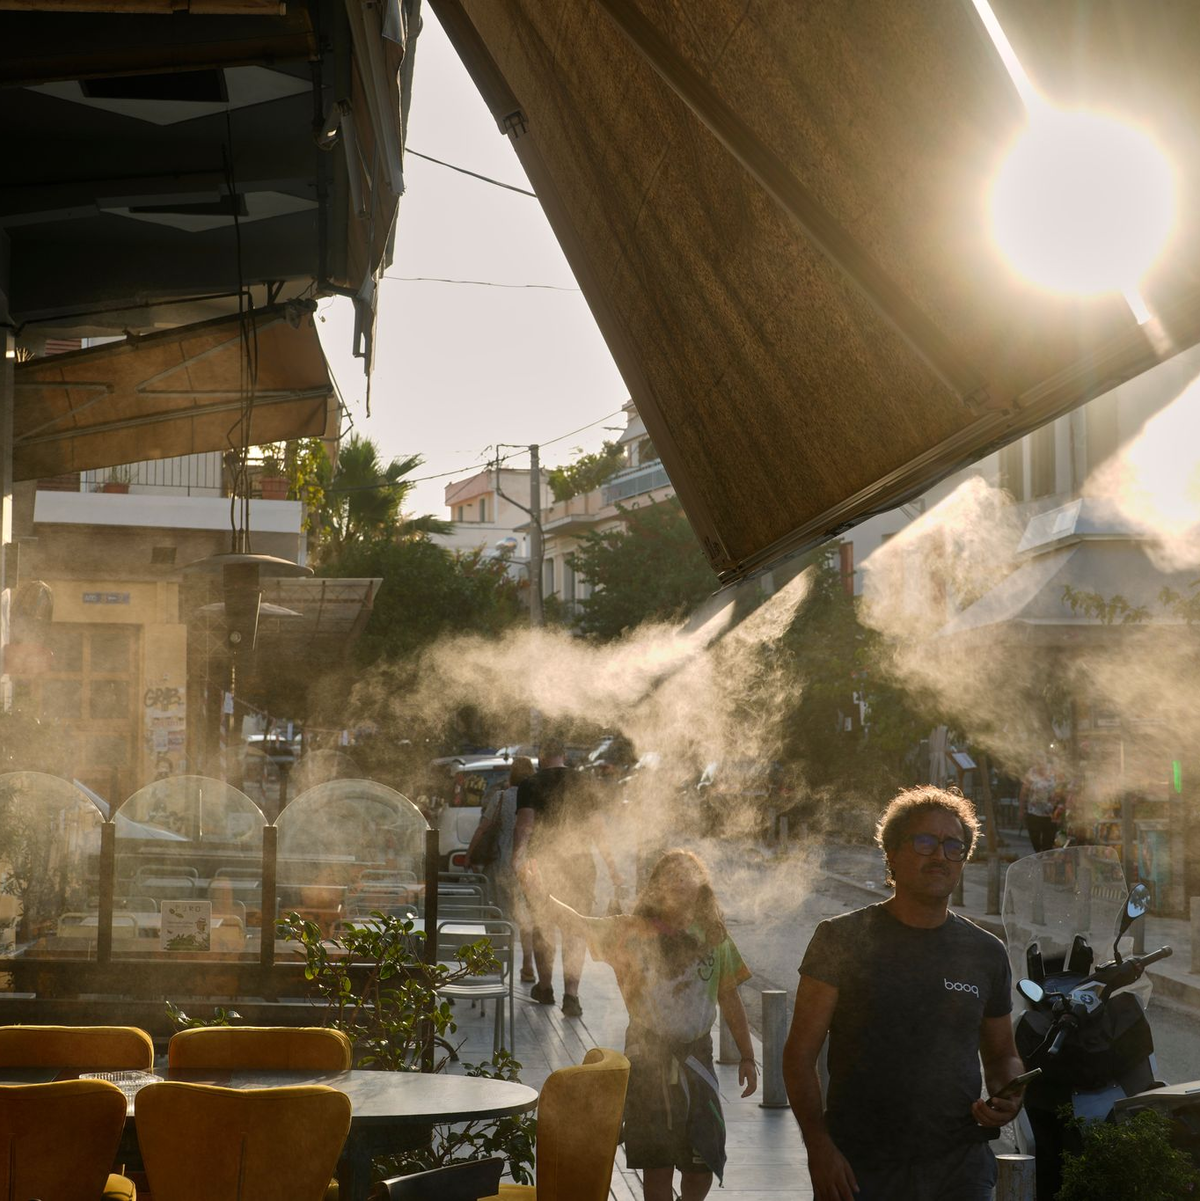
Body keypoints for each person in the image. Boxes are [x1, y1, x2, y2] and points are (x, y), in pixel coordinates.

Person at [783, 786, 1024, 1201]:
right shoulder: (840, 938)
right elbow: (799, 1056)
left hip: (959, 1167)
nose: (939, 856)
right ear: (892, 853)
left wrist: (1010, 1094)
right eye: (925, 841)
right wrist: (819, 1148)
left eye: (953, 846)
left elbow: (1002, 1054)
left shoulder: (986, 952)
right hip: (862, 1169)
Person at [524, 848, 758, 1201]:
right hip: (649, 1060)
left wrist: (746, 1055)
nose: (679, 881)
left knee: (703, 1163)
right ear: (656, 886)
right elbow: (578, 923)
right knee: (658, 1164)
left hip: (698, 1059)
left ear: (701, 887)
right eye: (671, 875)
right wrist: (541, 895)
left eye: (687, 875)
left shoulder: (713, 935)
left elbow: (730, 998)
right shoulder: (629, 931)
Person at [513, 734, 623, 1017]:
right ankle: (571, 995)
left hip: (542, 866)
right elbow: (598, 831)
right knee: (575, 929)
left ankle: (546, 987)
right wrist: (612, 870)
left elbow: (525, 827)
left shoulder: (530, 784)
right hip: (581, 866)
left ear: (541, 755)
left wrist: (517, 859)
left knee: (542, 926)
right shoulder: (584, 782)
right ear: (564, 756)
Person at [468, 755, 537, 982]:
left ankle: (496, 963)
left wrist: (469, 856)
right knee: (525, 917)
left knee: (497, 915)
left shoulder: (500, 798)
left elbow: (483, 829)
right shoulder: (535, 799)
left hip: (499, 866)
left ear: (512, 775)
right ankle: (527, 965)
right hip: (527, 867)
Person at [1020, 760, 1058, 853]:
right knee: (1035, 839)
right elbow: (1024, 791)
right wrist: (1021, 809)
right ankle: (1039, 855)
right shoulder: (1031, 772)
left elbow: (1061, 788)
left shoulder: (1053, 771)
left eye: (1042, 760)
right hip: (1034, 812)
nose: (1040, 764)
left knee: (1048, 843)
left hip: (1050, 813)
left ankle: (1045, 862)